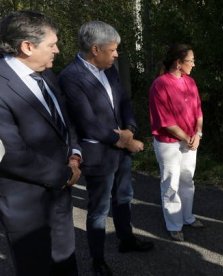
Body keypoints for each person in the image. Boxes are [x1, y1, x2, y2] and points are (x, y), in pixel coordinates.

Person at [59, 21, 154, 276]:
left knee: (124, 197)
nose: (116, 54)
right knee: (99, 209)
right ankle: (98, 260)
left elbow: (124, 101)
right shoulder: (70, 77)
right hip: (99, 153)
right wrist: (127, 141)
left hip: (120, 150)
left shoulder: (110, 68)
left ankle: (126, 239)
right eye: (112, 50)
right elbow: (87, 123)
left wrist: (131, 127)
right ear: (95, 49)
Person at [0, 11, 81, 276]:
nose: (57, 50)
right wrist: (65, 174)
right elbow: (11, 154)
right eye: (52, 44)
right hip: (27, 208)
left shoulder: (46, 74)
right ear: (27, 46)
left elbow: (64, 119)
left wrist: (75, 155)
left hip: (59, 196)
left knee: (66, 264)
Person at [149, 43, 204, 242]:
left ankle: (187, 217)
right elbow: (166, 121)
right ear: (178, 63)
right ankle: (174, 224)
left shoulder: (190, 82)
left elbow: (198, 110)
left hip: (190, 141)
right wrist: (187, 137)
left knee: (187, 180)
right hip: (169, 143)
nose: (194, 64)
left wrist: (198, 133)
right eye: (191, 61)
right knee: (171, 183)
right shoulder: (160, 84)